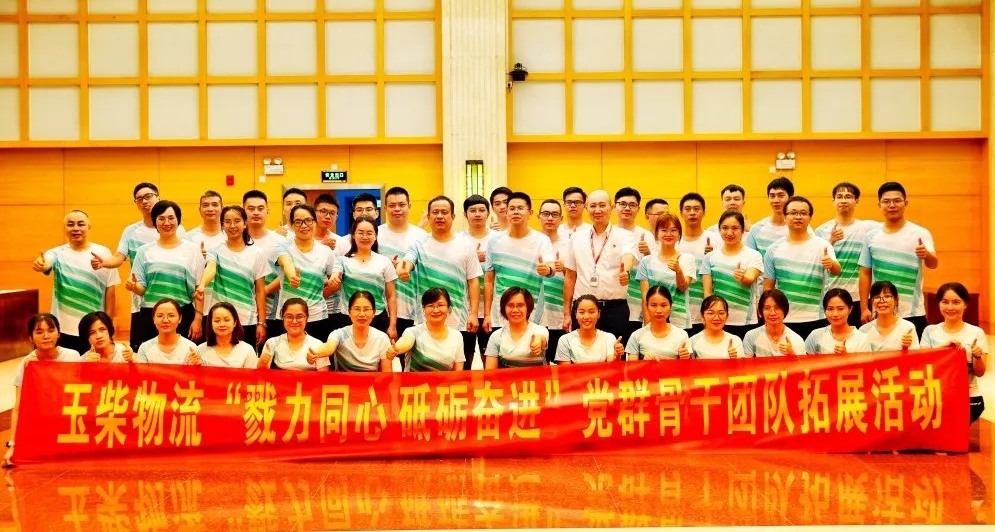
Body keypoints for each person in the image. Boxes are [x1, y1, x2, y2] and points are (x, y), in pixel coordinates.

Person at [89, 182, 186, 350]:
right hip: (142, 301)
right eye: (139, 199)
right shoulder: (131, 231)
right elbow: (119, 257)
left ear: (158, 197)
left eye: (148, 196)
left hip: (174, 302)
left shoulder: (177, 228)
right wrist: (105, 262)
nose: (145, 201)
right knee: (143, 350)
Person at [398, 195, 482, 369]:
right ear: (428, 217)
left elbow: (473, 281)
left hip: (459, 320)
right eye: (435, 212)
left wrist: (473, 314)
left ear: (453, 216)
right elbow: (406, 263)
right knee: (424, 370)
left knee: (461, 371)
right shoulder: (418, 244)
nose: (439, 216)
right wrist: (403, 270)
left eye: (444, 212)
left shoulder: (465, 245)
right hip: (425, 320)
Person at [32, 210, 120, 355]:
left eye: (81, 224)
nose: (76, 228)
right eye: (70, 224)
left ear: (89, 226)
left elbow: (110, 290)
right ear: (65, 228)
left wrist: (108, 323)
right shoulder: (57, 253)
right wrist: (42, 264)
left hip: (93, 329)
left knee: (93, 367)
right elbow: (47, 262)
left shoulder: (103, 253)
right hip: (64, 329)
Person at [858, 181, 938, 337]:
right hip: (880, 311)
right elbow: (865, 272)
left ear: (905, 203)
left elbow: (933, 263)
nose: (892, 205)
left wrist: (926, 255)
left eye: (897, 200)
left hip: (912, 312)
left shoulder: (920, 233)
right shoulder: (871, 236)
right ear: (879, 205)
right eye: (886, 201)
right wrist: (864, 308)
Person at [4, 314, 82, 467]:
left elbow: (83, 393)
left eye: (51, 330)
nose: (46, 336)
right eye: (39, 332)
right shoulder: (27, 365)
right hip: (42, 424)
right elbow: (19, 408)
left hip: (69, 422)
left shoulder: (72, 356)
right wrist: (12, 445)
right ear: (31, 338)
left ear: (58, 334)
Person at [762, 196, 841, 339]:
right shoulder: (773, 249)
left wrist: (831, 263)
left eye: (803, 213)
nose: (798, 217)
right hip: (784, 318)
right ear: (785, 217)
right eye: (793, 213)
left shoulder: (823, 245)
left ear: (810, 218)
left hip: (816, 317)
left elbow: (837, 271)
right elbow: (768, 287)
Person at [561, 189, 635, 340]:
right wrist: (567, 313)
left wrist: (626, 272)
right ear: (586, 208)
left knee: (615, 351)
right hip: (583, 309)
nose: (597, 210)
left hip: (615, 309)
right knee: (581, 352)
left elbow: (628, 256)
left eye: (602, 205)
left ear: (611, 207)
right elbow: (570, 277)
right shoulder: (576, 238)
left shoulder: (625, 236)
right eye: (593, 206)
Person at [128, 200, 204, 345]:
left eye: (171, 218)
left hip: (182, 314)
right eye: (161, 218)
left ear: (178, 220)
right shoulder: (143, 251)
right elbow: (142, 289)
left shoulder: (192, 250)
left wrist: (198, 318)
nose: (166, 223)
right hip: (151, 315)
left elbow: (199, 288)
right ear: (155, 222)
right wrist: (134, 286)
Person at [196, 206, 270, 347]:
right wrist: (202, 285)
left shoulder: (257, 253)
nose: (232, 226)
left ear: (245, 223)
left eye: (237, 221)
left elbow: (260, 291)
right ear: (222, 225)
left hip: (247, 319)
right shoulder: (215, 250)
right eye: (228, 222)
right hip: (220, 319)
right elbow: (211, 268)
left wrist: (261, 322)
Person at [483, 192, 554, 332]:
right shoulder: (494, 241)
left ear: (530, 213)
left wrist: (548, 270)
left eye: (520, 208)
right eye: (512, 208)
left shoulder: (541, 240)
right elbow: (489, 280)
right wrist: (486, 315)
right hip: (501, 315)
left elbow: (551, 267)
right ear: (506, 212)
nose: (516, 212)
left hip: (532, 313)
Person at [920, 282, 988, 424]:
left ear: (965, 304)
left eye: (956, 302)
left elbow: (980, 372)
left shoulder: (976, 332)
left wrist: (977, 356)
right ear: (939, 304)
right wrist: (943, 350)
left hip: (968, 396)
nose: (950, 307)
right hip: (936, 396)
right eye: (945, 302)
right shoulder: (929, 331)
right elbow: (923, 367)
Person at [814, 182, 879, 327]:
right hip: (831, 296)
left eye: (848, 197)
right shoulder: (821, 231)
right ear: (833, 201)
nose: (843, 200)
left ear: (856, 201)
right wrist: (831, 241)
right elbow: (816, 262)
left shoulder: (868, 228)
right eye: (839, 197)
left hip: (860, 298)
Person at [329, 217, 398, 340]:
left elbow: (391, 296)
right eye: (360, 233)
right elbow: (336, 274)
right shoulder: (342, 260)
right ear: (353, 235)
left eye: (369, 233)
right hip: (349, 318)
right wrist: (334, 278)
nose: (365, 237)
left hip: (377, 317)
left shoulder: (384, 261)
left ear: (375, 236)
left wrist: (392, 325)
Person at [275, 204, 336, 340]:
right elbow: (286, 262)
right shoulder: (283, 246)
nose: (304, 225)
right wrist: (292, 276)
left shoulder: (326, 251)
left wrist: (328, 288)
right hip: (289, 318)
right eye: (298, 222)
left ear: (315, 222)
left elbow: (333, 281)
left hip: (317, 317)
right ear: (291, 225)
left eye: (308, 220)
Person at [699, 210, 763, 338]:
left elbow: (750, 278)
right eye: (725, 228)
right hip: (718, 321)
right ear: (719, 230)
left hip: (745, 321)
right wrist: (708, 318)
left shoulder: (753, 255)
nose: (729, 233)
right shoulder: (710, 257)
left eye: (735, 228)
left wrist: (743, 277)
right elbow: (707, 293)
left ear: (743, 230)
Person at [376, 186, 428, 341]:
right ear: (385, 208)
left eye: (402, 205)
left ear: (409, 206)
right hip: (381, 309)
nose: (397, 209)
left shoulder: (421, 236)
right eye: (392, 205)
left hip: (414, 309)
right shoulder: (375, 234)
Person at [636, 213, 695, 330]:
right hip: (653, 321)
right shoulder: (646, 261)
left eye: (673, 230)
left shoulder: (688, 259)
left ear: (679, 234)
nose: (668, 234)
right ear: (657, 234)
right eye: (664, 230)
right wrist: (648, 327)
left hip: (679, 322)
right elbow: (645, 297)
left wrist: (678, 271)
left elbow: (683, 287)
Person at [243, 190, 289, 338]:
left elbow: (287, 273)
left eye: (260, 208)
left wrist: (265, 291)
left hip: (272, 314)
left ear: (267, 211)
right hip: (242, 312)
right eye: (251, 208)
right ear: (243, 211)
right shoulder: (234, 240)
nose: (256, 212)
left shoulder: (280, 241)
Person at [309, 291, 392, 372]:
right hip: (343, 381)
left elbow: (387, 372)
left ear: (374, 313)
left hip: (372, 381)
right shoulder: (339, 334)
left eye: (366, 309)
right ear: (349, 312)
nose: (362, 314)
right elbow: (329, 347)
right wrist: (317, 353)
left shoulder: (382, 338)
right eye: (357, 309)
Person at [387, 288, 466, 372]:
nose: (436, 310)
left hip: (444, 381)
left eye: (440, 305)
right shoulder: (413, 331)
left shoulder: (457, 336)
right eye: (430, 306)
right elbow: (406, 341)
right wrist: (396, 349)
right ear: (424, 310)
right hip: (415, 380)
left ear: (449, 308)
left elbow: (458, 370)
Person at [615, 187, 656, 341]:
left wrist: (648, 254)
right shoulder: (609, 233)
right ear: (614, 206)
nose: (627, 208)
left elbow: (656, 270)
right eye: (622, 204)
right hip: (614, 304)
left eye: (632, 205)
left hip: (638, 305)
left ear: (638, 209)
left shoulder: (647, 236)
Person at [459, 195, 496, 357]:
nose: (477, 214)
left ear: (488, 213)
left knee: (489, 356)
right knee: (465, 356)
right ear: (465, 214)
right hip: (465, 308)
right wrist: (473, 257)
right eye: (472, 210)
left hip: (492, 309)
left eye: (482, 210)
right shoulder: (458, 240)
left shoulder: (498, 238)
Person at [677, 193, 718, 334]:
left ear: (704, 212)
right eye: (687, 209)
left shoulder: (715, 240)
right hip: (678, 311)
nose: (692, 213)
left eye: (696, 209)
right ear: (681, 213)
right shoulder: (673, 241)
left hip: (706, 311)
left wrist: (713, 257)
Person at [484, 287, 549, 368]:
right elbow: (490, 371)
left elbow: (542, 339)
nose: (515, 310)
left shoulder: (540, 330)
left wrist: (539, 341)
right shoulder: (496, 336)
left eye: (520, 305)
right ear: (504, 308)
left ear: (528, 307)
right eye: (510, 305)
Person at [537, 199, 569, 363]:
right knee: (537, 367)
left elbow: (579, 278)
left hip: (560, 314)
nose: (550, 218)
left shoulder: (570, 244)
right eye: (546, 214)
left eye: (554, 214)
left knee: (561, 366)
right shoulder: (532, 241)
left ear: (561, 218)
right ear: (538, 217)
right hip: (534, 315)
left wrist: (564, 268)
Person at [260, 298, 329, 371]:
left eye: (299, 316)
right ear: (282, 317)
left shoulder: (318, 345)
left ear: (307, 318)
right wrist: (262, 361)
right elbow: (262, 373)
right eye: (289, 317)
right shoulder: (272, 343)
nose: (294, 321)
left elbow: (324, 375)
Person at [624, 286, 691, 361]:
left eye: (663, 305)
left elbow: (688, 366)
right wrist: (644, 361)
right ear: (647, 306)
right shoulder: (636, 336)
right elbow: (631, 366)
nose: (659, 310)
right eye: (653, 305)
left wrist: (685, 358)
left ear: (670, 306)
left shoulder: (682, 335)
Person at [554, 295, 624, 364]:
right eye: (581, 312)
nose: (586, 317)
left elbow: (613, 366)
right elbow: (565, 370)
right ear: (576, 314)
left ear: (599, 314)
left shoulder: (608, 338)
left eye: (591, 312)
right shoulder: (565, 340)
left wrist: (617, 355)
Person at [746, 177, 798, 262]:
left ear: (791, 198)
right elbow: (749, 260)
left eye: (781, 195)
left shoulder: (800, 229)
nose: (776, 200)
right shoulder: (756, 229)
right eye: (772, 196)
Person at [197, 302, 264, 368]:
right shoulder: (201, 350)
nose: (222, 324)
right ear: (211, 324)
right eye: (217, 321)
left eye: (227, 320)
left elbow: (252, 374)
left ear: (235, 322)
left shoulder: (247, 350)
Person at [742, 289, 807, 357]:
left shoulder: (796, 339)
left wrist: (792, 354)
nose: (772, 313)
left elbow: (801, 364)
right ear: (761, 311)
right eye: (767, 308)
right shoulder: (751, 336)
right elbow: (746, 363)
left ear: (785, 310)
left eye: (777, 308)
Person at [804, 289, 871, 354]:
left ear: (850, 309)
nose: (835, 314)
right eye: (830, 309)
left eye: (840, 309)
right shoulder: (815, 336)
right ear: (824, 310)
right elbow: (806, 360)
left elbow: (866, 362)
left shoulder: (862, 339)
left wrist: (847, 357)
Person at [135, 298, 201, 365]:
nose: (165, 320)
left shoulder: (191, 348)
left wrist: (196, 366)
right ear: (154, 319)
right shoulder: (145, 348)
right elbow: (141, 371)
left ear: (180, 318)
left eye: (171, 315)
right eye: (160, 316)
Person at [858, 281, 920, 351]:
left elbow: (915, 356)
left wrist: (905, 348)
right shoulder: (863, 331)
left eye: (887, 296)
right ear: (872, 302)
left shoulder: (907, 328)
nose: (882, 301)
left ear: (896, 300)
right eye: (877, 297)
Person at [688, 295, 745, 359]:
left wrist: (734, 359)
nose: (716, 318)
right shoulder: (692, 341)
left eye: (721, 313)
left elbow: (742, 365)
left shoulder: (735, 340)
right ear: (702, 316)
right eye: (710, 313)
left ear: (727, 316)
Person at [184, 190, 226, 258]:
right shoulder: (188, 238)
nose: (210, 209)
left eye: (215, 205)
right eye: (205, 205)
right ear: (200, 210)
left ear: (222, 208)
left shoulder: (230, 236)